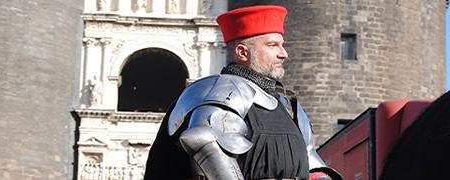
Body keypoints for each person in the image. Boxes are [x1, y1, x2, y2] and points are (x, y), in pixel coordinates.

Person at [144, 5, 342, 180]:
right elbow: (204, 141)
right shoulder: (219, 94)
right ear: (242, 52)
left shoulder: (287, 106)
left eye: (282, 45)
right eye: (273, 45)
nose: (284, 53)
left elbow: (312, 163)